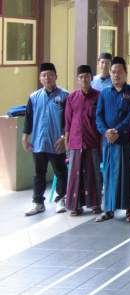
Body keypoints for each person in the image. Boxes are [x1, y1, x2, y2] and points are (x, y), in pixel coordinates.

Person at [22, 62, 70, 216]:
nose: (47, 77)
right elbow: (28, 119)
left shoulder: (65, 96)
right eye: (44, 75)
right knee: (38, 173)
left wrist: (64, 137)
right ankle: (37, 202)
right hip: (38, 142)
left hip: (57, 142)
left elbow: (68, 120)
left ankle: (61, 199)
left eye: (50, 75)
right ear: (40, 78)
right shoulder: (34, 97)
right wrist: (25, 138)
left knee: (61, 172)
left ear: (56, 76)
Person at [95, 57, 130, 222]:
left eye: (120, 72)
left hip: (125, 140)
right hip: (109, 142)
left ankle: (128, 210)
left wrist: (117, 130)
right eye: (113, 72)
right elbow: (98, 116)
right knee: (109, 175)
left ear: (126, 73)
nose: (116, 75)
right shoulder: (105, 93)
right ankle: (109, 209)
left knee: (127, 174)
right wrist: (106, 132)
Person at [64, 65, 103, 216]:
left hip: (92, 140)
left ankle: (95, 204)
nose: (84, 79)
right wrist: (67, 141)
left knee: (93, 173)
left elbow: (100, 121)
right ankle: (75, 205)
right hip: (75, 141)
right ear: (77, 79)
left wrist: (100, 144)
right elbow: (67, 122)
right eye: (81, 77)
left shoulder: (98, 96)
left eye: (87, 76)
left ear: (92, 78)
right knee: (75, 174)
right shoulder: (72, 97)